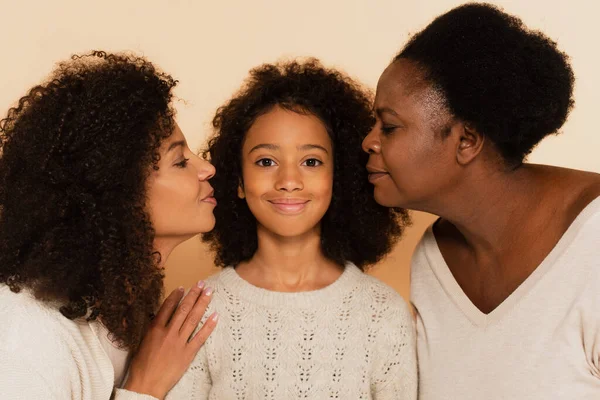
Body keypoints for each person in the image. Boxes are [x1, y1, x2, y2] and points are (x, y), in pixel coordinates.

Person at [361, 3, 600, 399]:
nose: (368, 141)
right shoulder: (432, 259)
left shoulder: (593, 246)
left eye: (389, 126)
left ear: (466, 141)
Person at [168, 59, 417, 399]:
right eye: (266, 161)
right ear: (238, 180)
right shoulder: (200, 312)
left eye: (311, 162)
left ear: (337, 178)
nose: (288, 182)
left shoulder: (383, 312)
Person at [0, 51, 218, 400]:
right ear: (118, 191)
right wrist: (143, 388)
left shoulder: (125, 310)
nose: (207, 168)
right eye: (180, 161)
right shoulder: (26, 339)